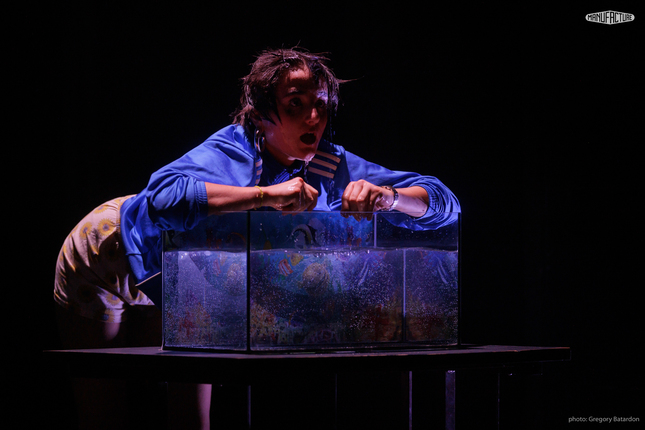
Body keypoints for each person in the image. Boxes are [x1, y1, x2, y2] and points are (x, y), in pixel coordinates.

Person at [54, 47, 460, 429]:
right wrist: (265, 195)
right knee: (104, 410)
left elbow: (446, 204)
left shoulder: (331, 165)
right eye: (295, 104)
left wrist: (390, 198)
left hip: (186, 275)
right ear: (261, 113)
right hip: (111, 253)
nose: (313, 117)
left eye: (320, 104)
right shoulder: (234, 149)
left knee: (191, 417)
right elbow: (160, 198)